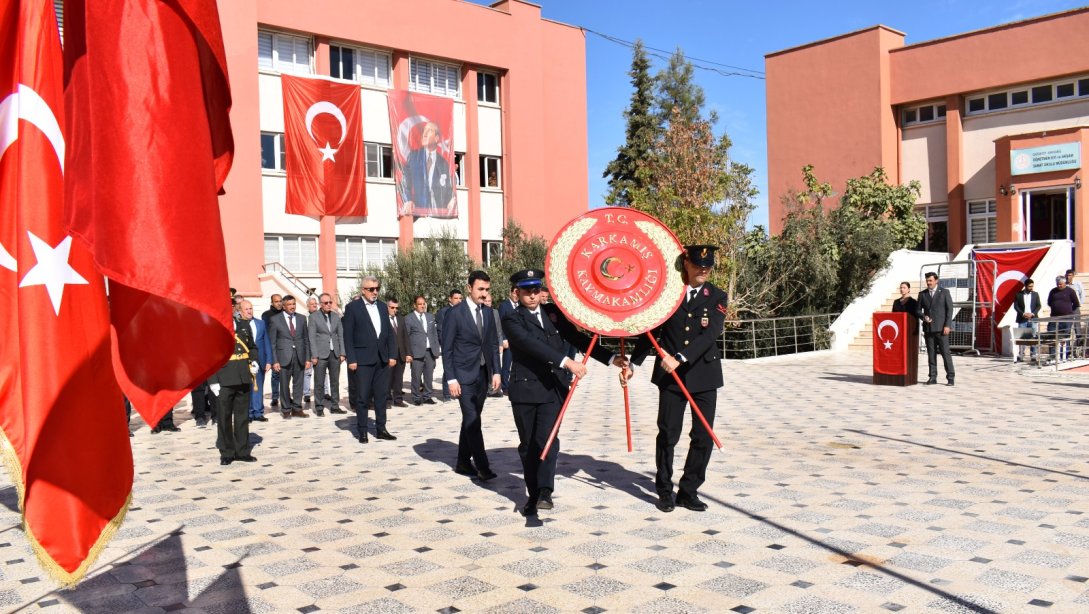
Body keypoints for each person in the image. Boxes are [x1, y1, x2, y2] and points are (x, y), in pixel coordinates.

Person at [502, 269, 623, 516]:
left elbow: (577, 339)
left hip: (553, 389)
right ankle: (532, 493)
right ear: (518, 293)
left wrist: (611, 358)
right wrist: (567, 362)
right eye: (527, 291)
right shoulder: (511, 318)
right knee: (528, 445)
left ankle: (545, 491)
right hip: (525, 389)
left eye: (536, 290)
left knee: (546, 440)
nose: (533, 296)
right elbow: (531, 345)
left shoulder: (552, 314)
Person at [627, 245, 728, 514]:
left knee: (703, 436)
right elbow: (651, 332)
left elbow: (710, 336)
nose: (703, 270)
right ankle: (664, 490)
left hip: (703, 375)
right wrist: (633, 364)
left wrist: (680, 357)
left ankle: (689, 490)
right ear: (686, 263)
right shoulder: (667, 296)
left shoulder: (717, 296)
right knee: (668, 434)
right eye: (698, 265)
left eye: (708, 266)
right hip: (671, 379)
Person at [441, 271, 501, 481]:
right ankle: (483, 467)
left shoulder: (488, 313)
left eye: (487, 289)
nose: (484, 294)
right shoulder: (455, 313)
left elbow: (493, 344)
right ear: (469, 288)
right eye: (480, 289)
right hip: (462, 376)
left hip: (483, 375)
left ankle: (462, 462)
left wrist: (497, 372)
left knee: (471, 419)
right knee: (473, 420)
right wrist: (451, 379)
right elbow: (446, 349)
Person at [343, 276, 398, 443]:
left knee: (382, 396)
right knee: (363, 397)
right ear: (363, 290)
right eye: (371, 289)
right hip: (362, 360)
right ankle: (363, 431)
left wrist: (392, 355)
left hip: (381, 359)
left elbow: (389, 333)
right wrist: (351, 359)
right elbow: (348, 336)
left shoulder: (382, 307)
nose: (375, 292)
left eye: (377, 288)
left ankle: (381, 428)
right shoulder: (352, 308)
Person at [209, 316, 259, 466]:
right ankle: (227, 453)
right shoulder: (215, 326)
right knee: (224, 418)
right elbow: (209, 355)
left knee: (242, 417)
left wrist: (254, 360)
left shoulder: (243, 324)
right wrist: (213, 381)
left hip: (243, 376)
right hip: (223, 379)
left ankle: (242, 451)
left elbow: (252, 347)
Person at [268, 295, 311, 417]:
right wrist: (275, 361)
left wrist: (308, 358)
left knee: (298, 384)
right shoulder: (275, 319)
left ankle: (297, 408)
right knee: (284, 385)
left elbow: (306, 339)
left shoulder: (302, 318)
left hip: (300, 356)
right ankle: (286, 409)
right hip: (283, 357)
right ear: (283, 306)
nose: (292, 307)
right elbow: (273, 342)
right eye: (289, 304)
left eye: (294, 304)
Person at [402, 121, 456, 214]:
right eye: (424, 130)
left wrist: (452, 198)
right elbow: (405, 182)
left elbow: (448, 187)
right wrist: (407, 200)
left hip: (438, 214)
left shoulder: (443, 163)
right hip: (418, 212)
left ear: (436, 138)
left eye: (429, 130)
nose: (425, 134)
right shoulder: (414, 157)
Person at [309, 292, 346, 417]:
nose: (329, 305)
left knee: (335, 381)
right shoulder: (314, 317)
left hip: (335, 353)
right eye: (326, 303)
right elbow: (312, 338)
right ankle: (319, 407)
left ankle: (335, 406)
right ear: (320, 304)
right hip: (320, 354)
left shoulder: (336, 316)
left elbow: (340, 335)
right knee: (319, 382)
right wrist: (314, 355)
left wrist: (342, 353)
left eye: (330, 302)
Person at [917, 272, 955, 385]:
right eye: (927, 281)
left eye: (930, 280)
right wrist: (923, 317)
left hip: (942, 329)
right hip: (929, 329)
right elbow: (917, 310)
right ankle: (932, 377)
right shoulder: (922, 294)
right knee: (931, 355)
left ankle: (950, 377)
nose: (928, 283)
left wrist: (948, 325)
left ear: (936, 280)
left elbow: (950, 310)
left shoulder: (944, 292)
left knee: (945, 354)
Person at [237, 300, 272, 422]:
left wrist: (269, 360)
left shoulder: (260, 323)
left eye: (250, 308)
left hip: (260, 359)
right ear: (240, 311)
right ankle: (248, 413)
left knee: (258, 387)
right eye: (246, 309)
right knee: (247, 388)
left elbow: (266, 341)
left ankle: (258, 412)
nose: (249, 311)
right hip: (244, 361)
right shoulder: (237, 324)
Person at [404, 295, 440, 406]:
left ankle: (427, 396)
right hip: (416, 352)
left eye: (424, 303)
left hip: (430, 352)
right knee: (416, 375)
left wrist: (436, 349)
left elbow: (434, 333)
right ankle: (416, 397)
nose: (422, 306)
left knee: (429, 375)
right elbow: (406, 337)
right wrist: (408, 353)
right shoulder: (409, 318)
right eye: (419, 304)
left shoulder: (430, 317)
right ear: (414, 305)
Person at [436, 289, 464, 402]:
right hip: (449, 345)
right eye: (456, 298)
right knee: (448, 368)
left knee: (459, 368)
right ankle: (446, 394)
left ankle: (458, 392)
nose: (458, 300)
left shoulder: (463, 310)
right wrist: (446, 344)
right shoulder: (444, 312)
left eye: (460, 298)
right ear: (450, 299)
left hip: (460, 346)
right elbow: (440, 330)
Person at [1047, 274, 1080, 362]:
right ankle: (1053, 357)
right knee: (1052, 336)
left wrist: (1069, 312)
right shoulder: (1053, 291)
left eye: (1061, 284)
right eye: (1058, 284)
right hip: (1054, 318)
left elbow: (1076, 304)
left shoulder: (1070, 291)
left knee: (1065, 337)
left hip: (1067, 318)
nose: (1059, 285)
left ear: (1064, 283)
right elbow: (1050, 302)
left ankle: (1064, 356)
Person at [261, 294, 283, 408]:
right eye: (276, 301)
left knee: (286, 373)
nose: (279, 303)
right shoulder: (266, 315)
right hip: (273, 347)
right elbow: (265, 332)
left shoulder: (285, 313)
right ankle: (275, 397)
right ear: (272, 303)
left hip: (284, 347)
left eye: (280, 301)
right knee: (275, 374)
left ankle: (286, 395)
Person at [387, 297, 410, 409]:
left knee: (398, 379)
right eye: (392, 307)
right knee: (387, 379)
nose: (395, 310)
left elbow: (405, 336)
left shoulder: (400, 319)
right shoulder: (383, 320)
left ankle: (398, 399)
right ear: (387, 307)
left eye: (396, 308)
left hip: (401, 354)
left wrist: (408, 353)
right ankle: (387, 400)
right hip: (388, 356)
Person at [1013, 278, 1041, 363]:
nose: (1031, 288)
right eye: (1029, 286)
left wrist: (1032, 313)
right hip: (1022, 319)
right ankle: (1021, 354)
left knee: (1033, 337)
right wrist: (1023, 314)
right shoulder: (1018, 294)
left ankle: (1033, 354)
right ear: (1025, 286)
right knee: (1022, 338)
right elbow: (1016, 306)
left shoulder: (1035, 294)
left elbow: (1038, 305)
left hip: (1033, 318)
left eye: (1032, 286)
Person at [484, 294, 505, 398]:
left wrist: (500, 343)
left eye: (489, 301)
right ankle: (489, 389)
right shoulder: (481, 312)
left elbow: (499, 330)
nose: (487, 303)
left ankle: (496, 388)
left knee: (496, 366)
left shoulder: (495, 312)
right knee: (487, 367)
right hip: (484, 346)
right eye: (486, 301)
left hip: (494, 344)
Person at [498, 287, 518, 394]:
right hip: (508, 341)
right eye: (514, 293)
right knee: (506, 364)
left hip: (519, 341)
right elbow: (500, 324)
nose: (516, 295)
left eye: (518, 293)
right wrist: (504, 339)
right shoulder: (504, 305)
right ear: (510, 293)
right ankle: (505, 387)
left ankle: (516, 384)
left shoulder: (521, 305)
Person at [303, 296, 319, 404]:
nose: (314, 305)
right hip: (308, 347)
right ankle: (307, 393)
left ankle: (325, 392)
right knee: (307, 372)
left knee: (323, 372)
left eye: (315, 304)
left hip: (319, 348)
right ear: (307, 306)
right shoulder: (304, 318)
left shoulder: (320, 316)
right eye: (312, 304)